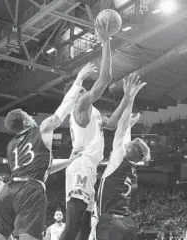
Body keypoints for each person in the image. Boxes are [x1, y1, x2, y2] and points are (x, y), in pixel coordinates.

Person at [0, 62, 96, 240]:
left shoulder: (11, 145)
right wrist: (79, 79)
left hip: (8, 190)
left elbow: (42, 166)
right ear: (27, 121)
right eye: (29, 115)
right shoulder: (42, 129)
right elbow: (65, 105)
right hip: (30, 190)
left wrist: (68, 161)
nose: (32, 117)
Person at [60, 19, 143, 240]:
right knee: (72, 226)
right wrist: (105, 42)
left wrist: (127, 98)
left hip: (90, 167)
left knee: (85, 230)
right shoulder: (80, 106)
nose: (87, 92)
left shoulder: (93, 113)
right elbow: (105, 78)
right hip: (81, 166)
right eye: (83, 90)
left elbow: (113, 123)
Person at [95, 76, 150, 240]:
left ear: (128, 151)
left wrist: (130, 97)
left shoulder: (120, 162)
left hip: (111, 222)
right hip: (127, 224)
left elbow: (122, 127)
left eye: (129, 144)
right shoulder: (130, 167)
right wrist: (127, 128)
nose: (126, 144)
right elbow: (124, 133)